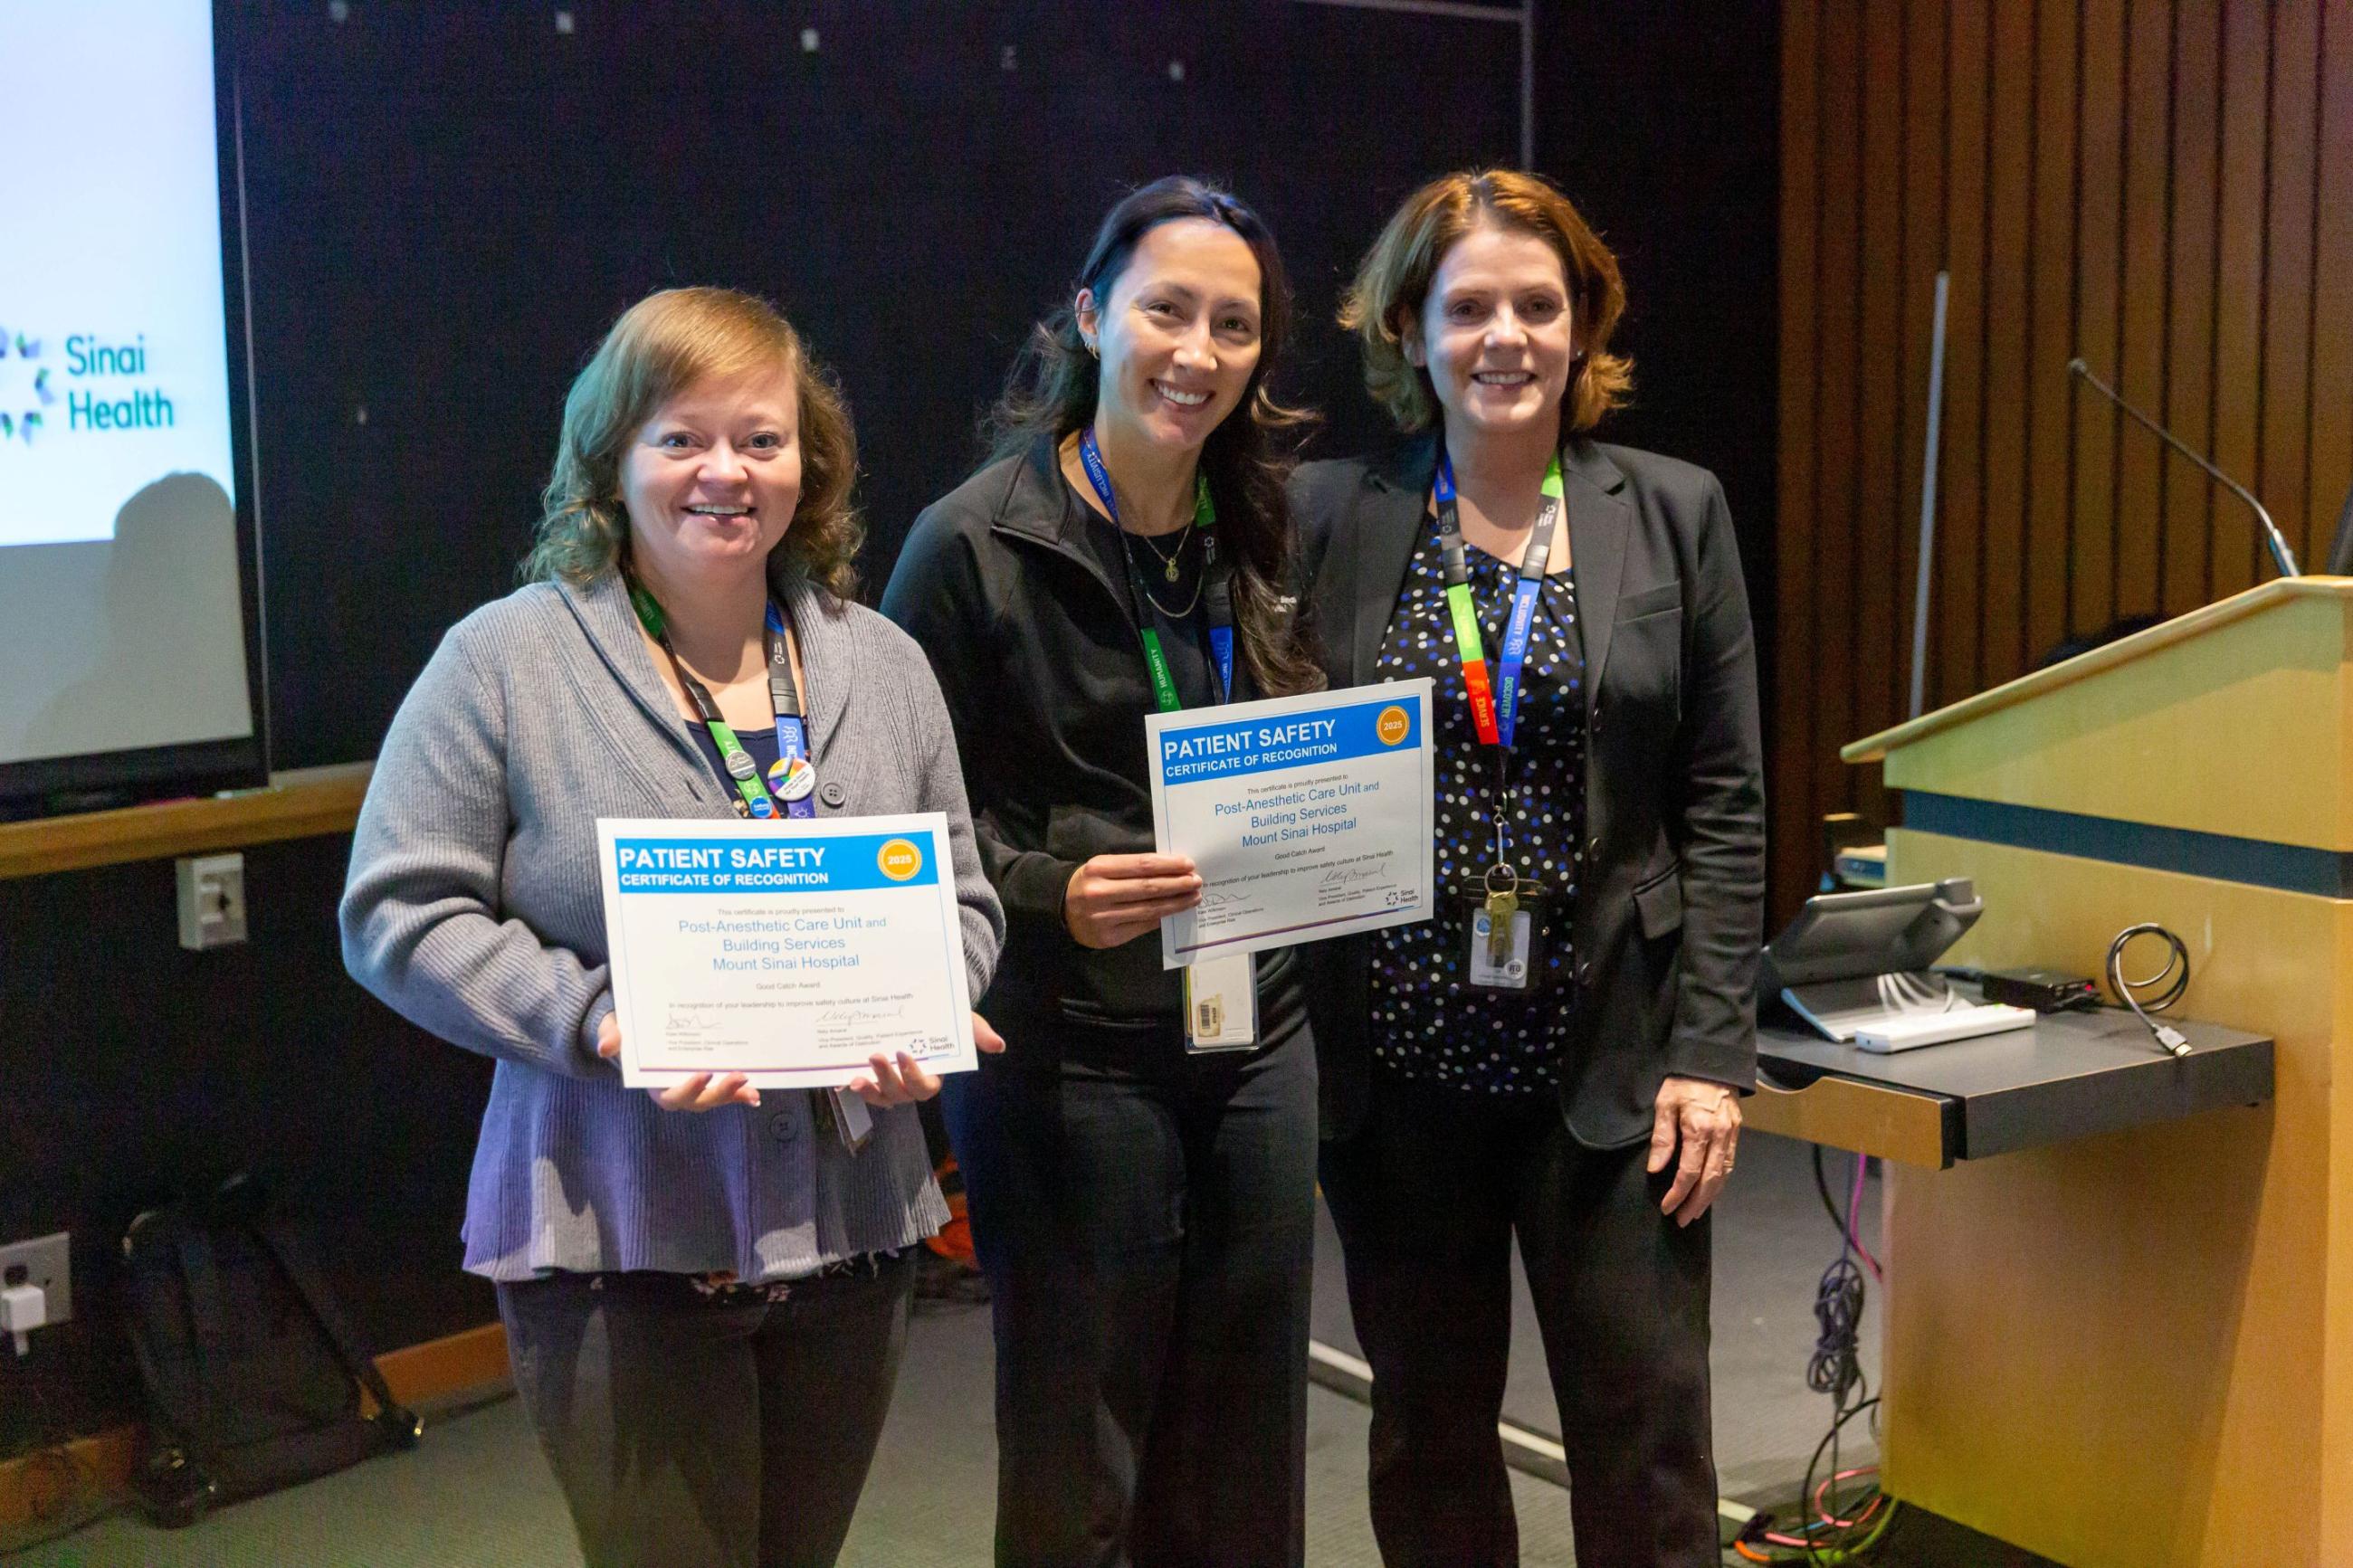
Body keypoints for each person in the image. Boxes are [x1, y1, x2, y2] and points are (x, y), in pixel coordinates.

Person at [339, 286, 1005, 1568]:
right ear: (613, 459)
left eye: (760, 438)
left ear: (806, 462)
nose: (726, 471)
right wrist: (594, 1017)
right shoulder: (503, 663)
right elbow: (394, 911)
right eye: (682, 436)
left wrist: (928, 997)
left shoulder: (881, 664)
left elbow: (962, 889)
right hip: (619, 1237)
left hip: (853, 1233)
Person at [1291, 170, 1765, 1567]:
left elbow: (1726, 797)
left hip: (1617, 1067)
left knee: (1649, 1442)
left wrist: (1713, 1051)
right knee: (1428, 1441)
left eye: (1538, 305)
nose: (1507, 334)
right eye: (1470, 305)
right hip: (1402, 1070)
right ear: (1410, 330)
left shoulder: (1673, 509)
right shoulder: (1329, 512)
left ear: (1582, 326)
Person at [881, 177, 1324, 1568]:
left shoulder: (1269, 525)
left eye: (1235, 324)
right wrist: (1042, 887)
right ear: (1091, 314)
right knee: (1083, 1441)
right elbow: (900, 818)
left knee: (1250, 1428)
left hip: (1256, 1029)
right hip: (1069, 1048)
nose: (1198, 351)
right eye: (1166, 309)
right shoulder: (971, 542)